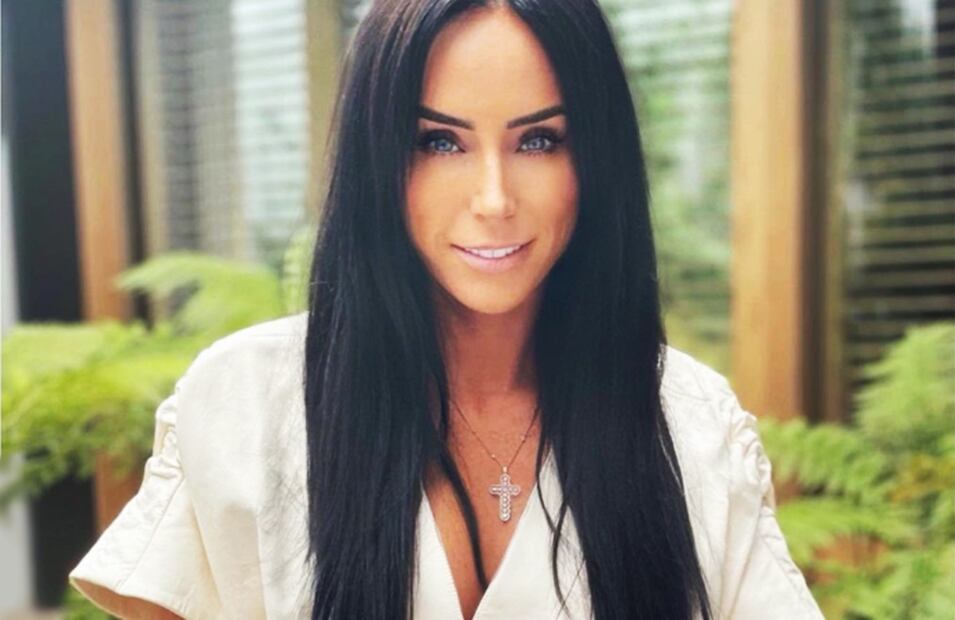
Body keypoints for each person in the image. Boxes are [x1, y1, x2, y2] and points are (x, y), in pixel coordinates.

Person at [69, 0, 825, 618]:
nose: (494, 199)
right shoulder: (244, 405)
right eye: (439, 142)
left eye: (539, 141)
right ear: (376, 159)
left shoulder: (690, 424)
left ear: (596, 159)